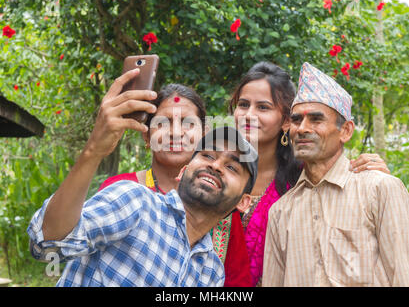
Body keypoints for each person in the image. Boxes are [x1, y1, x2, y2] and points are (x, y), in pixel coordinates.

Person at [27, 123, 258, 286]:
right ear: (183, 171)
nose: (216, 166)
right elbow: (47, 245)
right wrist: (93, 152)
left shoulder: (211, 271)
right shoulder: (136, 202)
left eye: (232, 167)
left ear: (243, 202)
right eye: (207, 155)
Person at [228, 61, 390, 286]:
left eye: (263, 107)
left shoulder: (307, 180)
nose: (249, 115)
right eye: (243, 104)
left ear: (286, 121)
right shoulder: (218, 170)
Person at [97, 83, 253, 286]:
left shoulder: (223, 214)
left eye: (188, 123)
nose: (176, 132)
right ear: (146, 135)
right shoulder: (121, 188)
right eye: (163, 123)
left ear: (204, 135)